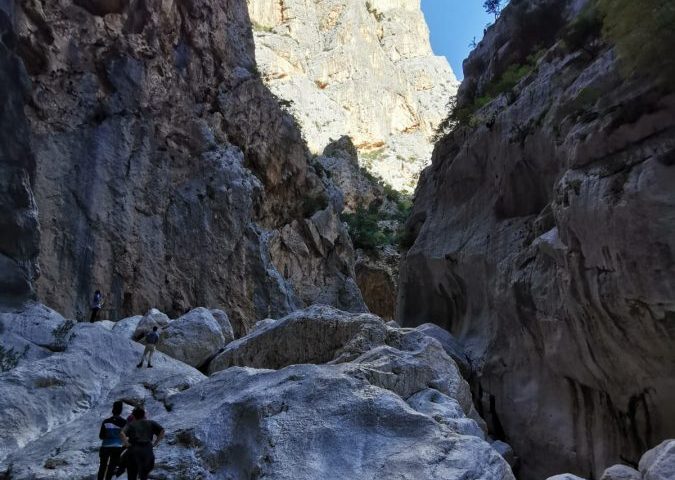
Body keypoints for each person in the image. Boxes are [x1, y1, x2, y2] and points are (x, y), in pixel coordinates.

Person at [120, 407, 164, 480]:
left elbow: (122, 433)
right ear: (144, 414)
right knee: (144, 476)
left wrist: (127, 444)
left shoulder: (131, 424)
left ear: (134, 416)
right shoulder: (151, 423)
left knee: (131, 475)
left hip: (134, 450)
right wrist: (156, 442)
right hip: (147, 450)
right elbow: (162, 431)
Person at [97, 400, 127, 480]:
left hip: (105, 446)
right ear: (121, 410)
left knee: (102, 466)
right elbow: (125, 435)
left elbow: (101, 436)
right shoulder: (124, 422)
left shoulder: (106, 421)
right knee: (111, 467)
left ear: (112, 409)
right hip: (117, 447)